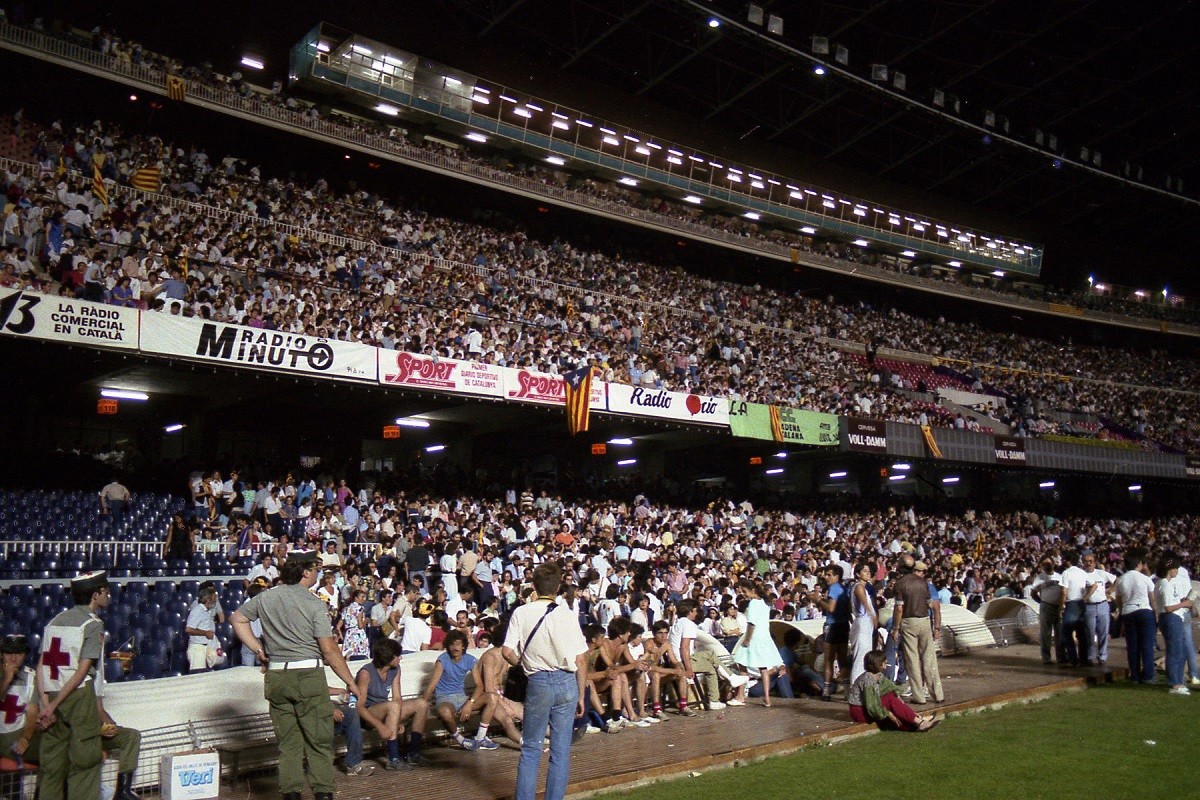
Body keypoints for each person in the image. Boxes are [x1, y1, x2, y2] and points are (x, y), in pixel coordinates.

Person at [231, 550, 365, 800]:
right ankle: (323, 794)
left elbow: (237, 619)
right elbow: (329, 650)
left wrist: (259, 649)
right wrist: (350, 682)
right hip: (308, 676)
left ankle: (291, 795)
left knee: (288, 745)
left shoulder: (266, 597)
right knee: (318, 743)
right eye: (316, 569)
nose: (318, 574)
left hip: (277, 677)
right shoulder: (313, 603)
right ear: (305, 572)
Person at [501, 561, 588, 800]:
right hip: (566, 681)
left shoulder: (521, 612)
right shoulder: (567, 615)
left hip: (537, 680)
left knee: (531, 748)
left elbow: (506, 651)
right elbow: (582, 658)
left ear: (533, 586)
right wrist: (581, 694)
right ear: (559, 586)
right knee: (560, 751)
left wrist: (523, 663)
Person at [36, 571, 109, 800]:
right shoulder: (93, 624)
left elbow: (40, 666)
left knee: (51, 765)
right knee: (85, 762)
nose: (109, 595)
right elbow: (82, 671)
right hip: (77, 696)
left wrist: (46, 703)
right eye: (105, 592)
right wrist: (54, 703)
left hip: (51, 691)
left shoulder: (55, 620)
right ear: (95, 595)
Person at [355, 638, 424, 771]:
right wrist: (380, 726)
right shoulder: (366, 673)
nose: (400, 658)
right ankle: (393, 758)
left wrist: (396, 721)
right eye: (397, 656)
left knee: (421, 704)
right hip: (369, 714)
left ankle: (413, 753)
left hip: (388, 709)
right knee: (392, 706)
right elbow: (359, 707)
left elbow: (398, 698)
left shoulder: (395, 669)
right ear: (389, 658)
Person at [890, 557, 943, 705]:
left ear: (900, 568)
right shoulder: (923, 583)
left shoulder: (900, 584)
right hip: (925, 620)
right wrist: (936, 626)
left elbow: (899, 608)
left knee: (912, 660)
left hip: (909, 621)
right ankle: (938, 694)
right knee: (929, 658)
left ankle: (919, 696)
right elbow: (931, 605)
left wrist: (895, 628)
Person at [847, 650, 939, 732]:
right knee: (890, 700)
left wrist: (897, 696)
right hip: (860, 712)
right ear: (879, 664)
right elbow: (872, 706)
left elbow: (891, 687)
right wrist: (888, 713)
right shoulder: (868, 680)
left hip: (868, 709)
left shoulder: (878, 675)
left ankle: (916, 721)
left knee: (892, 697)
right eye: (884, 661)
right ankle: (918, 721)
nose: (886, 662)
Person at [423, 630, 480, 750]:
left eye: (458, 644)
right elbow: (432, 685)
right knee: (445, 712)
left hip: (463, 697)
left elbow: (480, 685)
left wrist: (470, 703)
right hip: (445, 698)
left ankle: (482, 737)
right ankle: (460, 739)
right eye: (452, 644)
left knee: (492, 698)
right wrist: (422, 704)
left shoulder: (470, 659)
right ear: (448, 646)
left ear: (463, 646)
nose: (455, 648)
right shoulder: (442, 660)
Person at [731, 580, 782, 706]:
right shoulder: (765, 603)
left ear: (752, 591)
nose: (743, 594)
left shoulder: (753, 603)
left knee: (742, 664)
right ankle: (766, 697)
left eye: (745, 591)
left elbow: (751, 624)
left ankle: (740, 695)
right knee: (763, 667)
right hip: (764, 637)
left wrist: (747, 639)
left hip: (754, 637)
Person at [668, 600, 723, 712]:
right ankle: (714, 700)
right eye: (695, 611)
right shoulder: (688, 624)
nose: (696, 613)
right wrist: (688, 669)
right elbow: (684, 648)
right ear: (690, 611)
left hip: (677, 658)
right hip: (681, 661)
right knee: (711, 669)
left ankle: (730, 676)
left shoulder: (678, 623)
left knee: (710, 654)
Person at [1114, 549, 1157, 685]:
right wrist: (1155, 614)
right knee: (1147, 645)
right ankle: (1148, 675)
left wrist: (1122, 611)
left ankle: (1135, 676)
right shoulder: (1145, 579)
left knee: (1132, 646)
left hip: (1128, 611)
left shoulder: (1121, 580)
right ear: (1138, 564)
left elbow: (1118, 599)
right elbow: (1152, 599)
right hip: (1144, 610)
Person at [1154, 555, 1193, 696]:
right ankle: (1174, 683)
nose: (1177, 570)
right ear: (1169, 569)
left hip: (1172, 617)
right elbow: (1168, 607)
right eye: (1175, 568)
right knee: (1175, 651)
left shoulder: (1164, 583)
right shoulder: (1164, 584)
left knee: (1180, 651)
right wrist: (1184, 604)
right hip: (1170, 618)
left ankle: (1179, 680)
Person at [0, 634, 40, 763]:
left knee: (52, 750)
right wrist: (7, 678)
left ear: (25, 655)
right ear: (1, 654)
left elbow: (32, 712)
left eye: (18, 653)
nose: (13, 658)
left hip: (15, 734)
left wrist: (25, 738)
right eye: (8, 653)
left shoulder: (30, 677)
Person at [812, 565, 849, 701]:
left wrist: (818, 600)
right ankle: (847, 691)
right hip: (844, 625)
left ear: (836, 576)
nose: (826, 577)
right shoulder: (844, 589)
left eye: (829, 575)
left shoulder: (833, 588)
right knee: (843, 659)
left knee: (829, 659)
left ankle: (826, 690)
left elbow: (831, 608)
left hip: (832, 625)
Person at [96, 694, 142, 800]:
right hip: (81, 734)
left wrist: (112, 725)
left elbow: (99, 709)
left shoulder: (97, 679)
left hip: (98, 731)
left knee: (131, 735)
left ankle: (123, 791)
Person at [1079, 551, 1115, 665]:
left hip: (1102, 604)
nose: (1088, 563)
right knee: (1089, 632)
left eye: (1091, 561)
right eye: (1086, 561)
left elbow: (1116, 580)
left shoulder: (1101, 573)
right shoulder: (1081, 575)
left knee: (1103, 632)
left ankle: (1102, 656)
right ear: (1083, 563)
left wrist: (1109, 591)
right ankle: (1090, 656)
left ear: (1095, 562)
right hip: (1089, 606)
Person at [847, 562, 879, 684]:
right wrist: (872, 615)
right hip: (863, 622)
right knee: (861, 658)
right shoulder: (859, 587)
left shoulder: (861, 587)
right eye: (864, 571)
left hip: (864, 623)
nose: (868, 573)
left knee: (863, 656)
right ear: (857, 574)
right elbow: (865, 605)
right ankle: (855, 686)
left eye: (868, 571)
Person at [1029, 559, 1064, 665]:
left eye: (1048, 563)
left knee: (1060, 633)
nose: (1046, 566)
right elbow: (1033, 593)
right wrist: (1042, 602)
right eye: (1044, 564)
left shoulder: (1059, 576)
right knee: (1046, 633)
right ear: (1041, 566)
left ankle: (1061, 657)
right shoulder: (1039, 578)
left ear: (1053, 564)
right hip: (1046, 606)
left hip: (1059, 607)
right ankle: (1046, 658)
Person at [1057, 551, 1089, 666]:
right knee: (1081, 633)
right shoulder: (1082, 572)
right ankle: (1084, 659)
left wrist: (1061, 607)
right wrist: (1085, 598)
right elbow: (1093, 585)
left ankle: (1073, 659)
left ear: (1068, 561)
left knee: (1067, 633)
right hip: (1081, 603)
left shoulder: (1066, 573)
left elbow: (1064, 590)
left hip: (1071, 604)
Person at [184, 586, 219, 673]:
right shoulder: (198, 611)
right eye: (214, 598)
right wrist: (205, 633)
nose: (215, 601)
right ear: (208, 599)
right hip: (197, 649)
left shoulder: (207, 611)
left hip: (205, 647)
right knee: (197, 677)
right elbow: (188, 629)